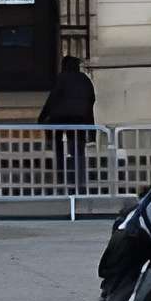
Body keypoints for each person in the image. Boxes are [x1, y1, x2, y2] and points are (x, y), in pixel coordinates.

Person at [40, 52, 96, 198]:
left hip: (60, 119)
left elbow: (52, 100)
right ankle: (80, 186)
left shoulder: (62, 78)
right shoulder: (85, 80)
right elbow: (90, 104)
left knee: (58, 149)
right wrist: (92, 133)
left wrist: (41, 118)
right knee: (79, 152)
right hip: (80, 120)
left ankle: (61, 182)